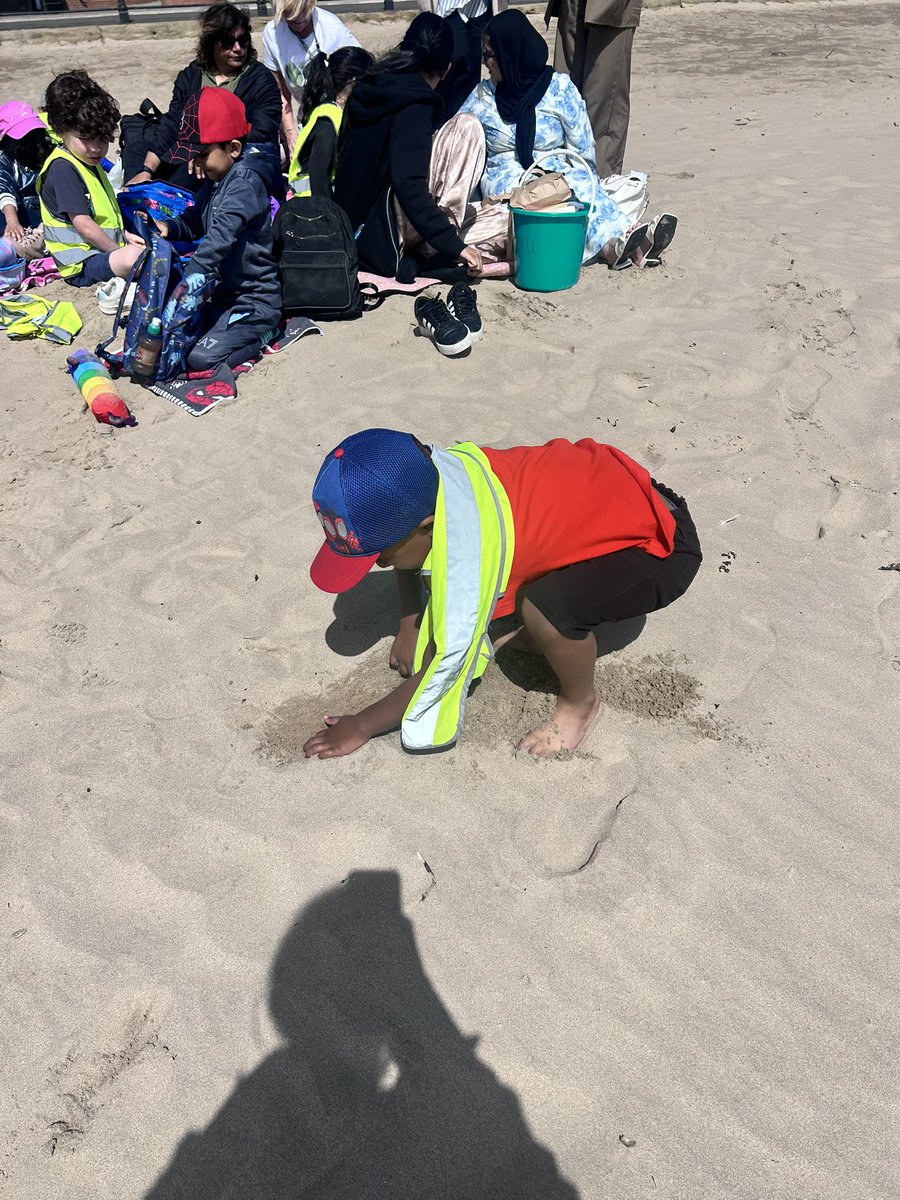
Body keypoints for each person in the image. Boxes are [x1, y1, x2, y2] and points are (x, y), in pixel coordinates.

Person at [302, 429, 702, 760]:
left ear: (426, 527)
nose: (381, 565)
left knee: (544, 609)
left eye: (381, 556)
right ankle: (540, 628)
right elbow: (407, 553)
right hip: (621, 491)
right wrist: (409, 624)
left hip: (660, 547)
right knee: (522, 596)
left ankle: (580, 704)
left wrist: (361, 725)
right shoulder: (434, 473)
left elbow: (444, 667)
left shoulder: (465, 553)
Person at [461, 9, 673, 268]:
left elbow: (582, 150)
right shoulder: (482, 99)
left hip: (555, 169)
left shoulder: (558, 89)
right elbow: (458, 143)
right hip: (509, 181)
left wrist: (587, 181)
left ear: (510, 54)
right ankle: (616, 248)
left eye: (489, 55)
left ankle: (626, 245)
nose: (485, 62)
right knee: (553, 199)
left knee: (581, 184)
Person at [333, 12, 506, 282]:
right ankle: (433, 250)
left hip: (352, 224)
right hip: (383, 234)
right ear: (447, 68)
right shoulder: (414, 104)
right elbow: (408, 184)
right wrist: (454, 245)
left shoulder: (372, 84)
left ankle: (431, 245)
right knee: (467, 128)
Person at [150, 89, 281, 373]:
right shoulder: (217, 177)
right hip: (223, 297)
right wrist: (167, 228)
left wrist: (186, 284)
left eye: (201, 155)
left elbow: (220, 239)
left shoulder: (244, 183)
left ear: (234, 148)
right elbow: (195, 219)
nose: (195, 163)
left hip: (254, 302)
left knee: (200, 359)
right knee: (178, 344)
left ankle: (265, 336)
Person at [126, 2, 281, 193]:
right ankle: (133, 196)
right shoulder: (191, 76)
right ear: (210, 43)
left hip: (234, 157)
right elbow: (175, 122)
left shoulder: (261, 80)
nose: (238, 48)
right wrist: (147, 169)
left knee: (193, 169)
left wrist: (205, 150)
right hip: (190, 151)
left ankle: (164, 211)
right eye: (227, 42)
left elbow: (262, 131)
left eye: (243, 40)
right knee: (137, 151)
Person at [37, 71, 145, 289]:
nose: (96, 148)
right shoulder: (63, 169)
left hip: (100, 251)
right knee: (136, 258)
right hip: (81, 265)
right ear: (61, 130)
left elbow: (101, 218)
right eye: (85, 139)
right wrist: (119, 250)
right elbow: (85, 226)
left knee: (146, 243)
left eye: (103, 139)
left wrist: (124, 236)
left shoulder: (86, 160)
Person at [546, 0, 641, 178]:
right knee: (563, 94)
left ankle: (598, 186)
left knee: (603, 103)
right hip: (572, 6)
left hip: (610, 9)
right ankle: (563, 181)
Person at [262, 0, 359, 158]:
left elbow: (360, 73)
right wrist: (290, 132)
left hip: (343, 116)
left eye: (302, 11)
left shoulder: (332, 28)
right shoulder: (272, 33)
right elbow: (279, 91)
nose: (298, 19)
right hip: (308, 117)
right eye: (289, 14)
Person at [287, 47, 373, 197]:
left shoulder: (338, 114)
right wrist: (331, 217)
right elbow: (319, 175)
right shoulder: (327, 120)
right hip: (310, 207)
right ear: (353, 79)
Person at [0, 101, 52, 259]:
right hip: (18, 221)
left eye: (37, 137)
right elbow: (4, 189)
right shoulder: (6, 160)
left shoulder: (49, 151)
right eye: (27, 140)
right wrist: (12, 220)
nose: (36, 145)